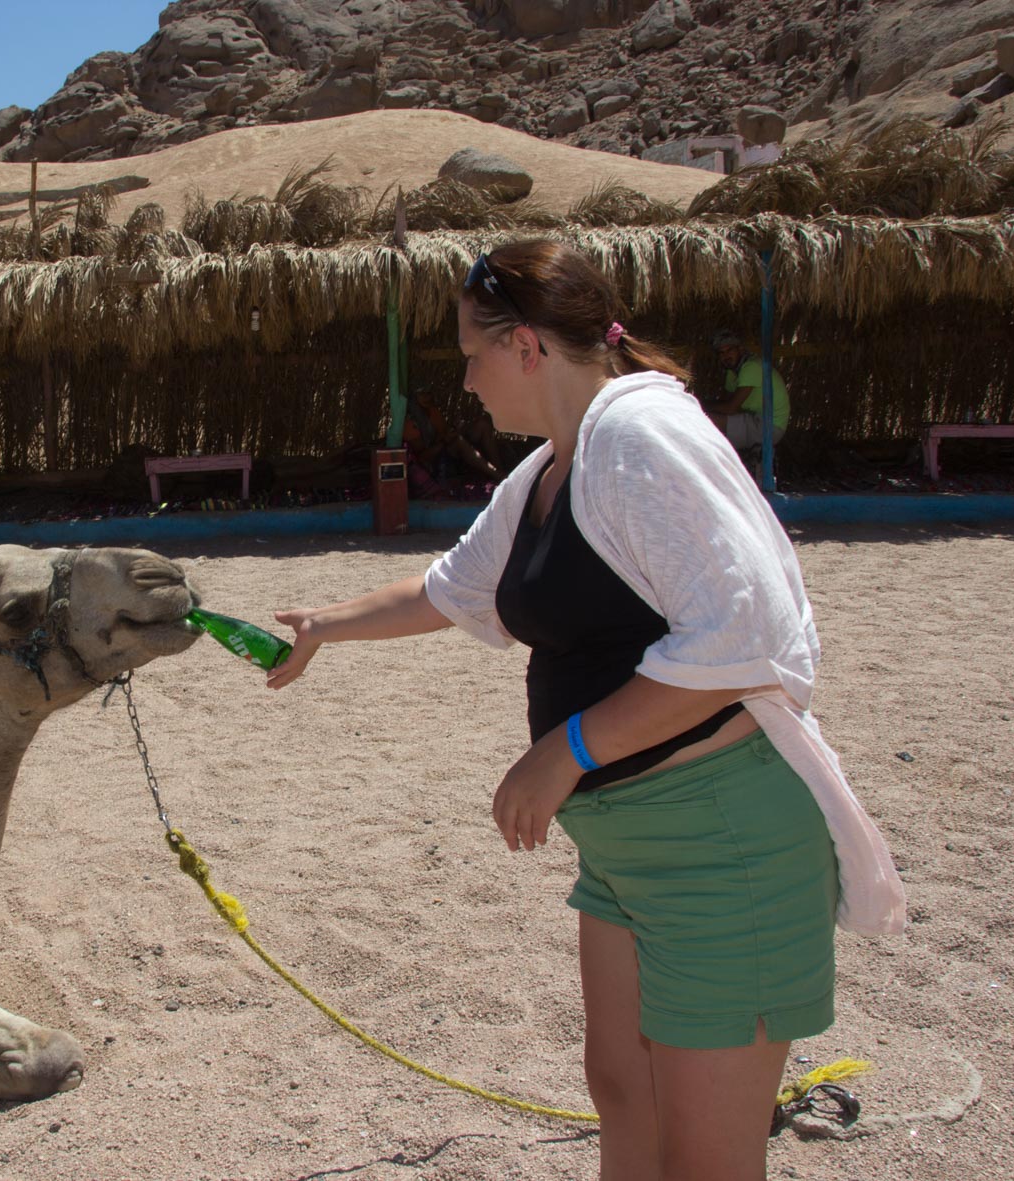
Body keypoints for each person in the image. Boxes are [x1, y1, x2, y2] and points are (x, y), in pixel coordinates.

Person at [267, 243, 903, 1181]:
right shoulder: (548, 471)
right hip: (626, 857)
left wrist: (567, 748)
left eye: (472, 354)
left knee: (707, 1156)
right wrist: (323, 624)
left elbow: (747, 632)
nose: (466, 379)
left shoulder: (644, 438)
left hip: (720, 849)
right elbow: (452, 588)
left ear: (526, 346)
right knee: (624, 1091)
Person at [706, 329, 789, 452]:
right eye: (721, 353)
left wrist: (700, 406)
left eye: (729, 350)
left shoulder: (751, 367)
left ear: (740, 349)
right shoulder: (732, 371)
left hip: (769, 427)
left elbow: (730, 408)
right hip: (754, 418)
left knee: (707, 419)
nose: (726, 356)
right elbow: (726, 403)